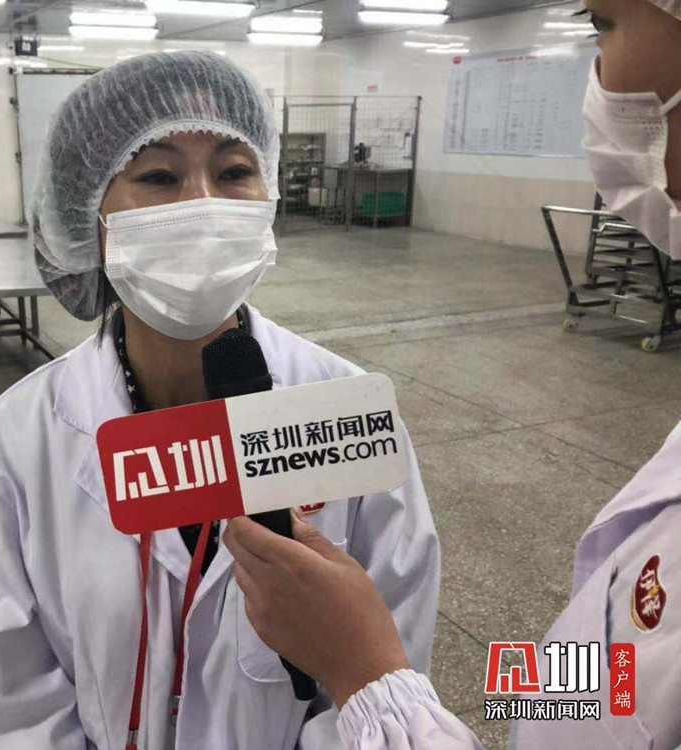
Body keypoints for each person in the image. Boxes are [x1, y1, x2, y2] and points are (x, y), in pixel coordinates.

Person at [0, 51, 441, 749]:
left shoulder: (343, 407)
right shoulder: (23, 435)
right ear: (88, 212)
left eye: (234, 172)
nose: (203, 205)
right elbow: (9, 704)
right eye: (159, 176)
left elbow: (385, 674)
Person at [223, 0, 681, 747]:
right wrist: (516, 700)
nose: (599, 72)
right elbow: (612, 666)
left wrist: (366, 673)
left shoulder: (341, 396)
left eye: (602, 22)